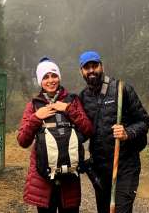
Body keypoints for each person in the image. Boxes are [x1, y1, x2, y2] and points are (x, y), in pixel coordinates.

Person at [17, 57, 93, 213]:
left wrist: (68, 109)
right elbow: (23, 140)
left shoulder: (72, 101)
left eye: (54, 75)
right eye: (45, 77)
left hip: (69, 178)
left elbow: (88, 130)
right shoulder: (33, 105)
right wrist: (37, 117)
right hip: (43, 181)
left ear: (59, 76)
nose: (51, 80)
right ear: (40, 81)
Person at [78, 50, 149, 213]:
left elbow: (144, 121)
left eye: (94, 66)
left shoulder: (122, 89)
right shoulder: (82, 98)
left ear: (102, 66)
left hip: (125, 166)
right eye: (86, 67)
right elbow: (81, 131)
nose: (91, 70)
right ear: (81, 71)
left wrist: (127, 132)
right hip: (100, 169)